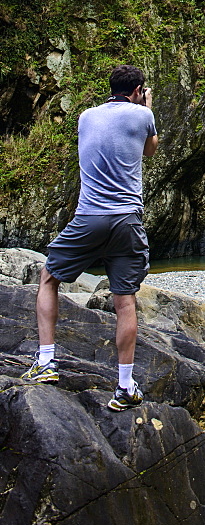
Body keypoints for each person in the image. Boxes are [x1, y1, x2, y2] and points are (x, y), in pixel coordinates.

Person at [21, 64, 159, 411]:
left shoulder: (85, 117)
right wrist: (148, 108)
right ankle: (125, 386)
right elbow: (151, 150)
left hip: (89, 217)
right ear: (138, 90)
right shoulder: (142, 116)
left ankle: (47, 362)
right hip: (127, 219)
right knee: (125, 300)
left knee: (49, 277)